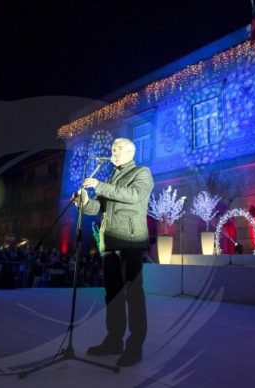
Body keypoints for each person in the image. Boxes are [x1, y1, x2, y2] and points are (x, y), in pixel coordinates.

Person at [73, 137, 154, 367]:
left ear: (131, 151)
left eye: (118, 148)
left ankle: (135, 346)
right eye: (112, 149)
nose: (113, 152)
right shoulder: (111, 178)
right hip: (109, 244)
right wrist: (85, 201)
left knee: (134, 295)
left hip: (130, 241)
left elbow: (133, 196)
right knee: (113, 295)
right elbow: (98, 207)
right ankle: (114, 340)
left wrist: (99, 186)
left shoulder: (142, 172)